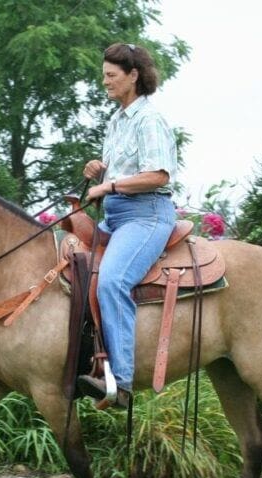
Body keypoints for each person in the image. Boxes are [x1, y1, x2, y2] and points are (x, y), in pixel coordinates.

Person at [77, 42, 178, 410]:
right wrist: (98, 170)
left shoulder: (149, 120)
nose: (104, 82)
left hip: (146, 215)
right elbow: (120, 169)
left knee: (112, 280)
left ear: (133, 76)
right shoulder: (117, 120)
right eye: (103, 75)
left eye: (111, 76)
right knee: (70, 268)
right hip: (116, 216)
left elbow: (158, 174)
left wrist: (111, 185)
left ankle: (119, 383)